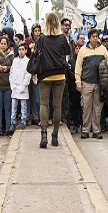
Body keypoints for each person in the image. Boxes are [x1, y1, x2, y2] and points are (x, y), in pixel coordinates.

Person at [36, 13, 71, 148]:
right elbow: (68, 51)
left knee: (44, 104)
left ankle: (44, 133)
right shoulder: (62, 38)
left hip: (45, 75)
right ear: (57, 24)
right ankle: (55, 136)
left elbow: (36, 53)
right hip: (60, 75)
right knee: (57, 106)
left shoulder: (42, 38)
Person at [75, 29, 108, 140]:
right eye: (93, 36)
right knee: (86, 108)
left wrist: (105, 65)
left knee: (97, 109)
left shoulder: (103, 49)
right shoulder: (83, 50)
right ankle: (85, 130)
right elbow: (78, 67)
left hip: (99, 84)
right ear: (89, 38)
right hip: (86, 83)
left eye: (97, 36)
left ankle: (96, 130)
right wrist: (78, 82)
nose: (95, 38)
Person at [9, 42, 31, 134]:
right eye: (19, 49)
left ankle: (23, 121)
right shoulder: (15, 60)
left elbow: (28, 74)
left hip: (23, 87)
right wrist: (12, 84)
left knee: (23, 106)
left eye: (23, 49)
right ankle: (12, 122)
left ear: (26, 51)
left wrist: (24, 85)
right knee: (13, 106)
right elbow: (12, 72)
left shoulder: (27, 61)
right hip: (14, 87)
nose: (21, 51)